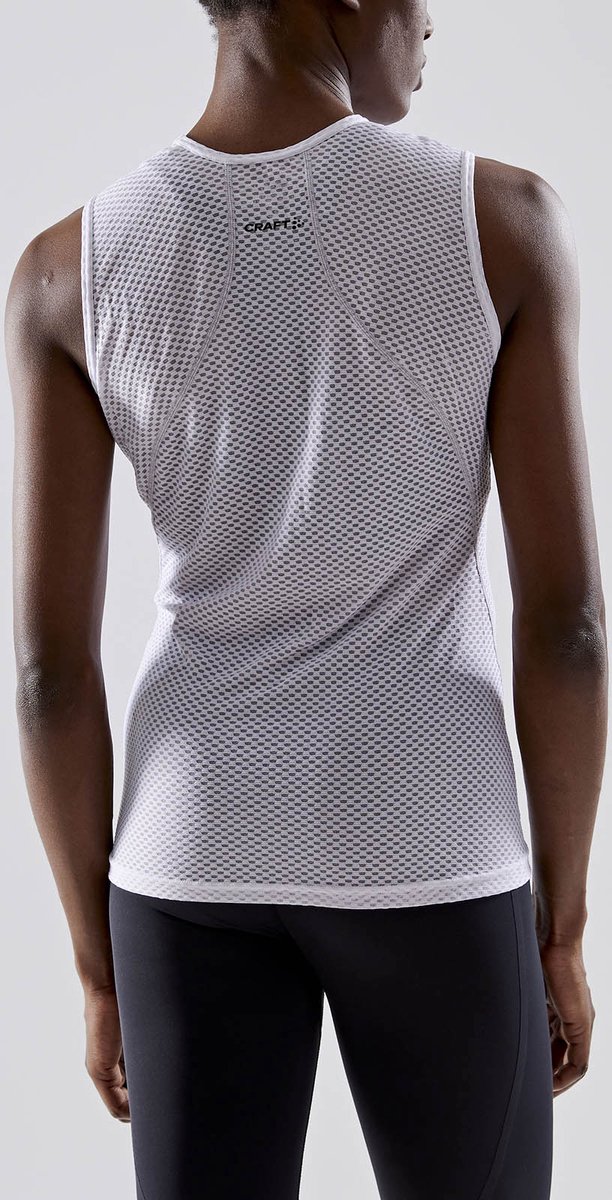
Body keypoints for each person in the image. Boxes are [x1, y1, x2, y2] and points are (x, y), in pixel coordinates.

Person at [5, 0, 607, 1197]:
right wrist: (564, 926)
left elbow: (46, 672)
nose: (431, 27)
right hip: (428, 838)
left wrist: (96, 963)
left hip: (188, 856)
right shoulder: (501, 224)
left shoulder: (65, 270)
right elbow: (569, 628)